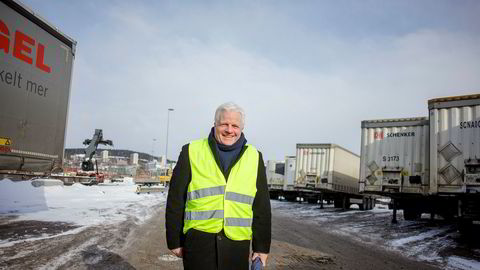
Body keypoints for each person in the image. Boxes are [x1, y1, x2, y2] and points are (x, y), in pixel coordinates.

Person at [166, 102, 271, 270]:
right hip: (199, 242)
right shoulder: (191, 151)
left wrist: (261, 247)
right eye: (224, 124)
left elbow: (262, 206)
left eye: (235, 125)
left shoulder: (254, 157)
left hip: (237, 245)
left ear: (242, 128)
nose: (229, 130)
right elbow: (176, 199)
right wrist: (174, 240)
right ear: (215, 124)